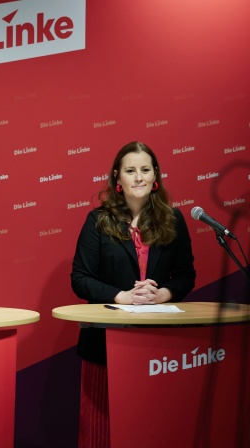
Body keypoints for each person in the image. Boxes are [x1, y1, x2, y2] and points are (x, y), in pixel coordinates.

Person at [71, 141, 196, 447]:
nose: (138, 177)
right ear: (118, 178)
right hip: (105, 341)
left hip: (158, 344)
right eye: (130, 170)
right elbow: (80, 279)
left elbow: (185, 275)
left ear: (156, 178)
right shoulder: (98, 221)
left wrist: (162, 294)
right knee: (103, 429)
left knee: (150, 426)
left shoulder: (173, 219)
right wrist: (121, 297)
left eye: (145, 169)